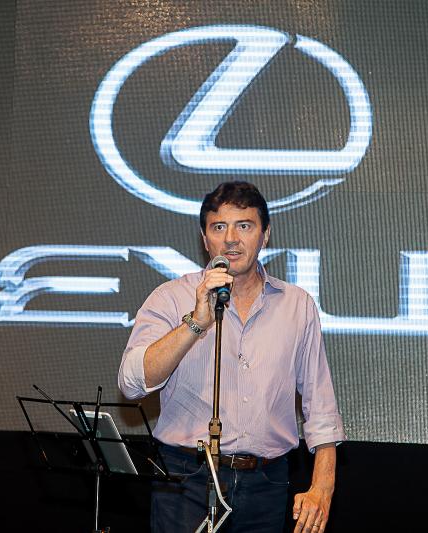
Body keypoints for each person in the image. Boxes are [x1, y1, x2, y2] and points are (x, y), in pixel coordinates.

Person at [118, 181, 345, 532]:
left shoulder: (297, 305)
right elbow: (132, 383)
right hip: (186, 479)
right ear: (204, 238)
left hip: (267, 483)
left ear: (265, 235)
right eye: (219, 227)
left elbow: (321, 406)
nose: (231, 239)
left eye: (245, 226)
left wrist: (322, 488)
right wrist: (195, 322)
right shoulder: (170, 298)